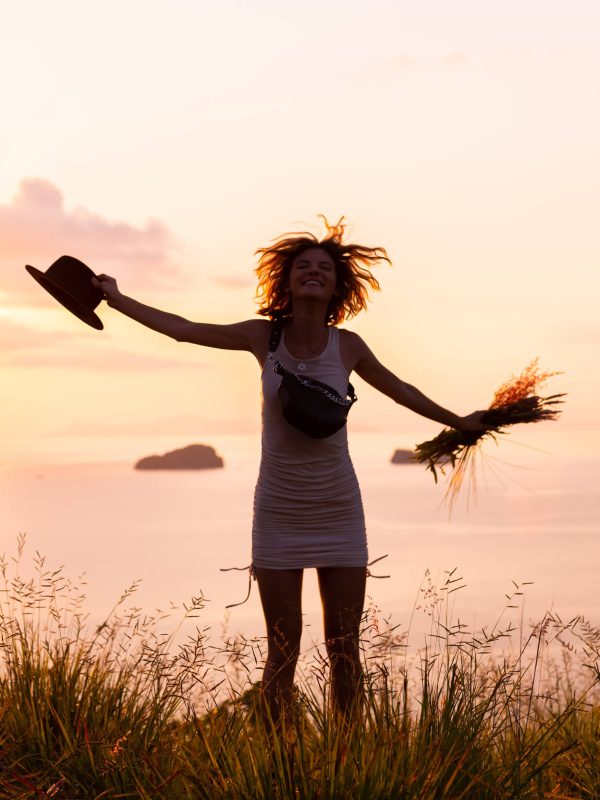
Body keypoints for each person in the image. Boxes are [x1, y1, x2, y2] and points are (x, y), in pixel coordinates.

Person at [92, 218, 488, 729]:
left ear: (336, 286)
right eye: (304, 267)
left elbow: (402, 390)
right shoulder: (263, 336)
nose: (314, 273)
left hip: (339, 510)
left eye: (324, 268)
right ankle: (281, 765)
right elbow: (184, 329)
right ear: (288, 280)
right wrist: (117, 299)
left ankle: (348, 757)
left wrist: (458, 421)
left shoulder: (348, 346)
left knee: (345, 651)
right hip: (278, 512)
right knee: (283, 652)